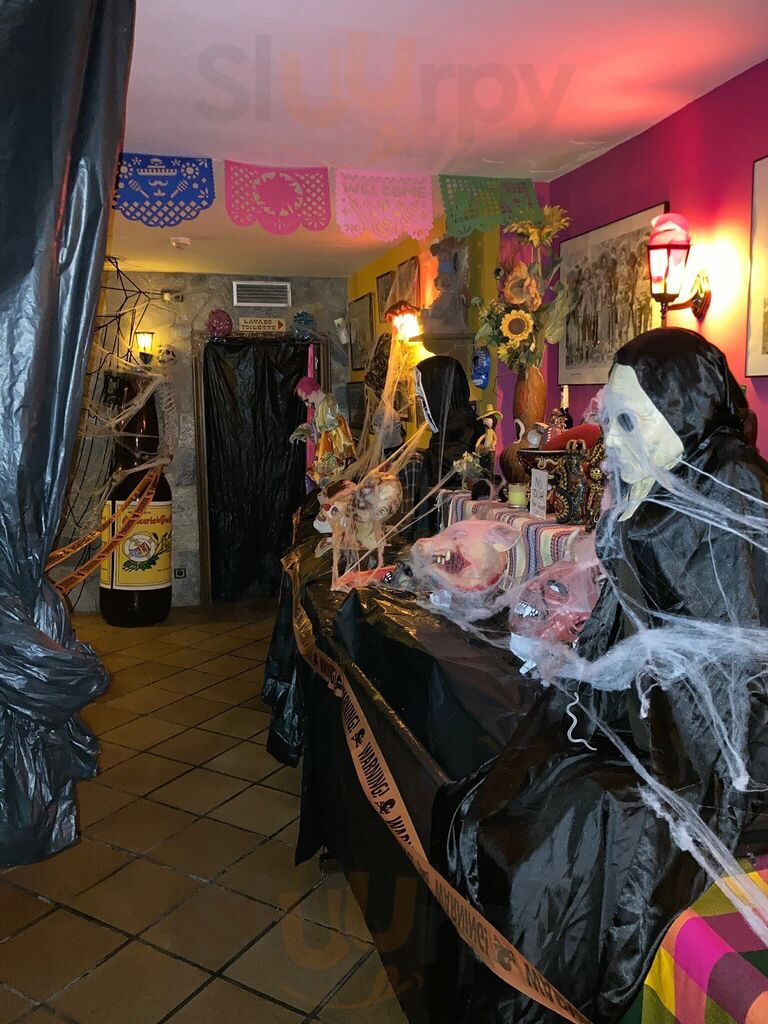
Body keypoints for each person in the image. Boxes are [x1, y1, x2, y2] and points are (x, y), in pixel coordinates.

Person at [434, 328, 768, 1023]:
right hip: (654, 721)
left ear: (681, 411)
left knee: (563, 840)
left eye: (627, 421)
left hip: (712, 751)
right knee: (495, 800)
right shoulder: (668, 479)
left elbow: (738, 669)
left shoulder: (732, 488)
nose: (608, 438)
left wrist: (708, 793)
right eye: (608, 417)